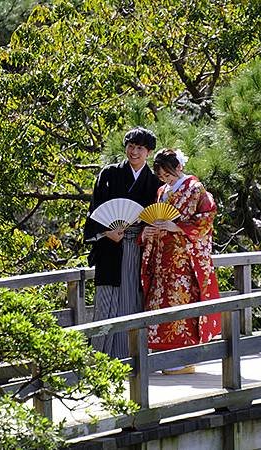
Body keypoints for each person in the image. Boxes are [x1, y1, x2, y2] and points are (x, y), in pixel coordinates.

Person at [140, 148, 222, 374]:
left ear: (179, 167)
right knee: (160, 306)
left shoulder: (196, 189)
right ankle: (164, 357)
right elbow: (157, 217)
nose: (165, 179)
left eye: (169, 173)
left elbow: (206, 219)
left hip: (184, 260)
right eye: (161, 175)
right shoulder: (162, 191)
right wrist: (149, 232)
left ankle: (185, 360)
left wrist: (177, 226)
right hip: (161, 258)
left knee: (181, 306)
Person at [84, 127, 162, 359]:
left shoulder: (154, 182)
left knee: (132, 301)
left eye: (140, 148)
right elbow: (96, 211)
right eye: (131, 146)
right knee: (106, 302)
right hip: (109, 245)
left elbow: (157, 218)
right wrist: (107, 232)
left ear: (148, 152)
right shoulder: (108, 175)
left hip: (138, 248)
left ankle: (130, 357)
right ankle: (100, 357)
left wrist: (148, 232)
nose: (134, 152)